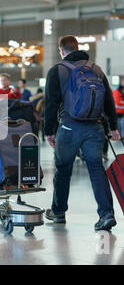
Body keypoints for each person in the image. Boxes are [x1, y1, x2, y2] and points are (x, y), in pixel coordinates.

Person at [44, 35, 120, 231]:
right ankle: (106, 214)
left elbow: (51, 103)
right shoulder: (96, 69)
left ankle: (58, 212)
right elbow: (108, 101)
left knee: (63, 170)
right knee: (97, 170)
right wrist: (113, 127)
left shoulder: (57, 70)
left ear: (61, 50)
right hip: (95, 128)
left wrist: (49, 131)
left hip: (69, 128)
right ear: (78, 47)